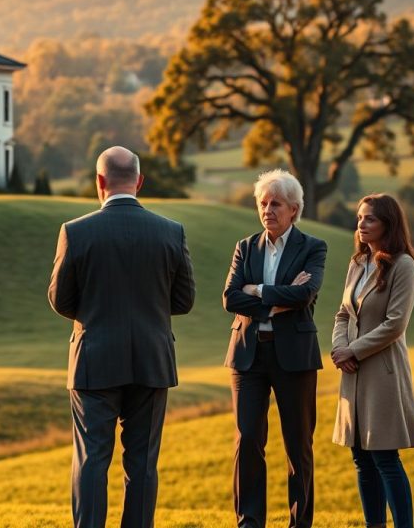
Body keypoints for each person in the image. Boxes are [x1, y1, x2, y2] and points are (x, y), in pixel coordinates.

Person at [48, 146, 196, 528]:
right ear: (140, 181)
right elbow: (184, 300)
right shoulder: (171, 231)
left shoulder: (76, 231)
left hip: (94, 358)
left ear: (99, 182)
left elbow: (60, 300)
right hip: (152, 358)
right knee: (143, 463)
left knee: (91, 459)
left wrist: (94, 315)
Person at [222, 169, 327, 528]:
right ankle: (249, 521)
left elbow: (304, 294)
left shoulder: (313, 247)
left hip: (294, 357)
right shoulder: (245, 246)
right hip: (248, 355)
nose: (268, 210)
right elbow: (229, 297)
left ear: (294, 209)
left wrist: (258, 290)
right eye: (263, 203)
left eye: (276, 204)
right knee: (248, 439)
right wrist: (274, 297)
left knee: (298, 445)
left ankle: (300, 523)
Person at [330, 193, 414, 528]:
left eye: (370, 218)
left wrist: (353, 351)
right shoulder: (357, 263)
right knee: (361, 459)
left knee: (384, 457)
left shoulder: (404, 265)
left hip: (381, 372)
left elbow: (395, 324)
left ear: (388, 223)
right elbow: (343, 313)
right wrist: (340, 350)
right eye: (359, 217)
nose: (361, 224)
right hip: (352, 372)